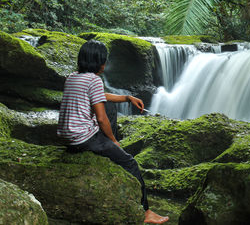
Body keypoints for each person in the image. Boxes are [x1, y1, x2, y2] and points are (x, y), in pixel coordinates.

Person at [57, 39, 169, 224]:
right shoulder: (94, 80)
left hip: (67, 137)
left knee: (109, 106)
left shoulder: (72, 77)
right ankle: (146, 212)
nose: (105, 64)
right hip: (83, 139)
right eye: (103, 60)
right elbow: (101, 119)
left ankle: (109, 147)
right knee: (130, 162)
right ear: (97, 62)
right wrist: (113, 141)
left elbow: (100, 95)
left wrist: (127, 97)